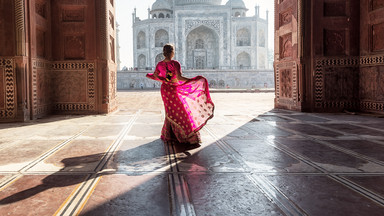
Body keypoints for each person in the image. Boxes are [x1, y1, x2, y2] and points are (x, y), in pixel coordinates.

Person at [146, 44, 214, 146]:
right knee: (181, 110)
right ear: (172, 52)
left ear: (164, 53)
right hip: (173, 89)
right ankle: (185, 134)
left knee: (170, 111)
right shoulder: (175, 63)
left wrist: (164, 80)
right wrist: (192, 80)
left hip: (165, 89)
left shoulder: (159, 64)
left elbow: (155, 75)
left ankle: (170, 134)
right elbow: (179, 78)